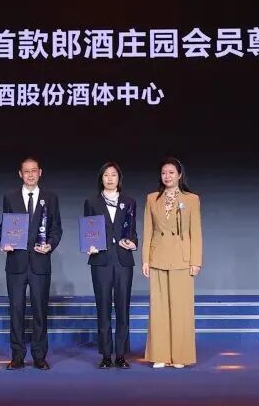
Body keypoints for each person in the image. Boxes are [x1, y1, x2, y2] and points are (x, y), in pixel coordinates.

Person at [0, 157, 63, 370]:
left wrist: (50, 245)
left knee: (40, 311)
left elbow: (56, 228)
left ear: (40, 172)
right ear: (20, 174)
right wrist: (5, 241)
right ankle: (17, 356)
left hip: (40, 263)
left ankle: (39, 356)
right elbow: (4, 226)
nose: (31, 174)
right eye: (26, 171)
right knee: (16, 310)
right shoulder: (10, 197)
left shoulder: (50, 198)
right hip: (16, 263)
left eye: (34, 171)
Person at [141, 157, 202, 368]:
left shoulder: (191, 199)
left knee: (181, 308)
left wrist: (196, 261)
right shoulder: (151, 199)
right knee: (158, 309)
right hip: (158, 257)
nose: (167, 176)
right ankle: (160, 355)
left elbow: (196, 232)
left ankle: (180, 356)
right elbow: (148, 231)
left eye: (171, 172)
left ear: (179, 175)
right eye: (164, 173)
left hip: (182, 259)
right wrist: (145, 260)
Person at [84, 161, 138, 369]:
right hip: (101, 260)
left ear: (119, 178)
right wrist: (89, 245)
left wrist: (133, 243)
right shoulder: (91, 202)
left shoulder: (129, 201)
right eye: (106, 175)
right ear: (101, 178)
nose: (109, 178)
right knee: (103, 307)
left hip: (123, 260)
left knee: (123, 308)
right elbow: (88, 229)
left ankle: (121, 355)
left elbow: (132, 230)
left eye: (113, 174)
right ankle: (106, 355)